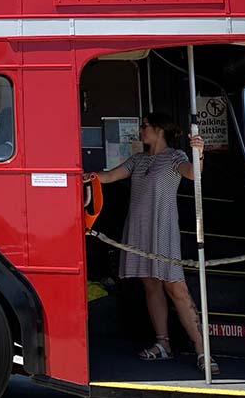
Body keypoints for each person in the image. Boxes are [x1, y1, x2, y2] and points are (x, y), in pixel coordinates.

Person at [84, 112, 216, 375]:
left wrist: (199, 152)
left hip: (162, 228)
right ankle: (162, 344)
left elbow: (193, 174)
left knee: (175, 288)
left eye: (145, 127)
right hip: (139, 229)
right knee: (150, 283)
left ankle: (203, 351)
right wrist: (83, 176)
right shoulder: (139, 160)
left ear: (159, 130)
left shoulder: (175, 158)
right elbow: (109, 176)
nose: (141, 131)